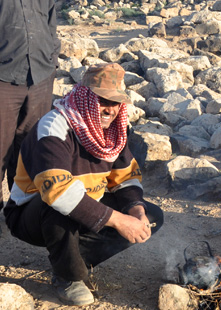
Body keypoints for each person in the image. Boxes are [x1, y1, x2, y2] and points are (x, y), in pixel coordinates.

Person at [3, 63, 164, 306]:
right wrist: (120, 221)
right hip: (31, 214)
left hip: (86, 203)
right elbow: (58, 194)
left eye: (115, 102)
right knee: (61, 206)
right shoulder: (54, 128)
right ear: (85, 96)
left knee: (151, 215)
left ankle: (71, 259)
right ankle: (68, 276)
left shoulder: (113, 131)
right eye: (102, 100)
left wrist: (136, 212)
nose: (109, 109)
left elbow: (125, 178)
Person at [0, 0, 60, 199]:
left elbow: (51, 26)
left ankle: (21, 209)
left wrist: (52, 62)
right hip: (3, 78)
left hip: (40, 76)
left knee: (30, 148)